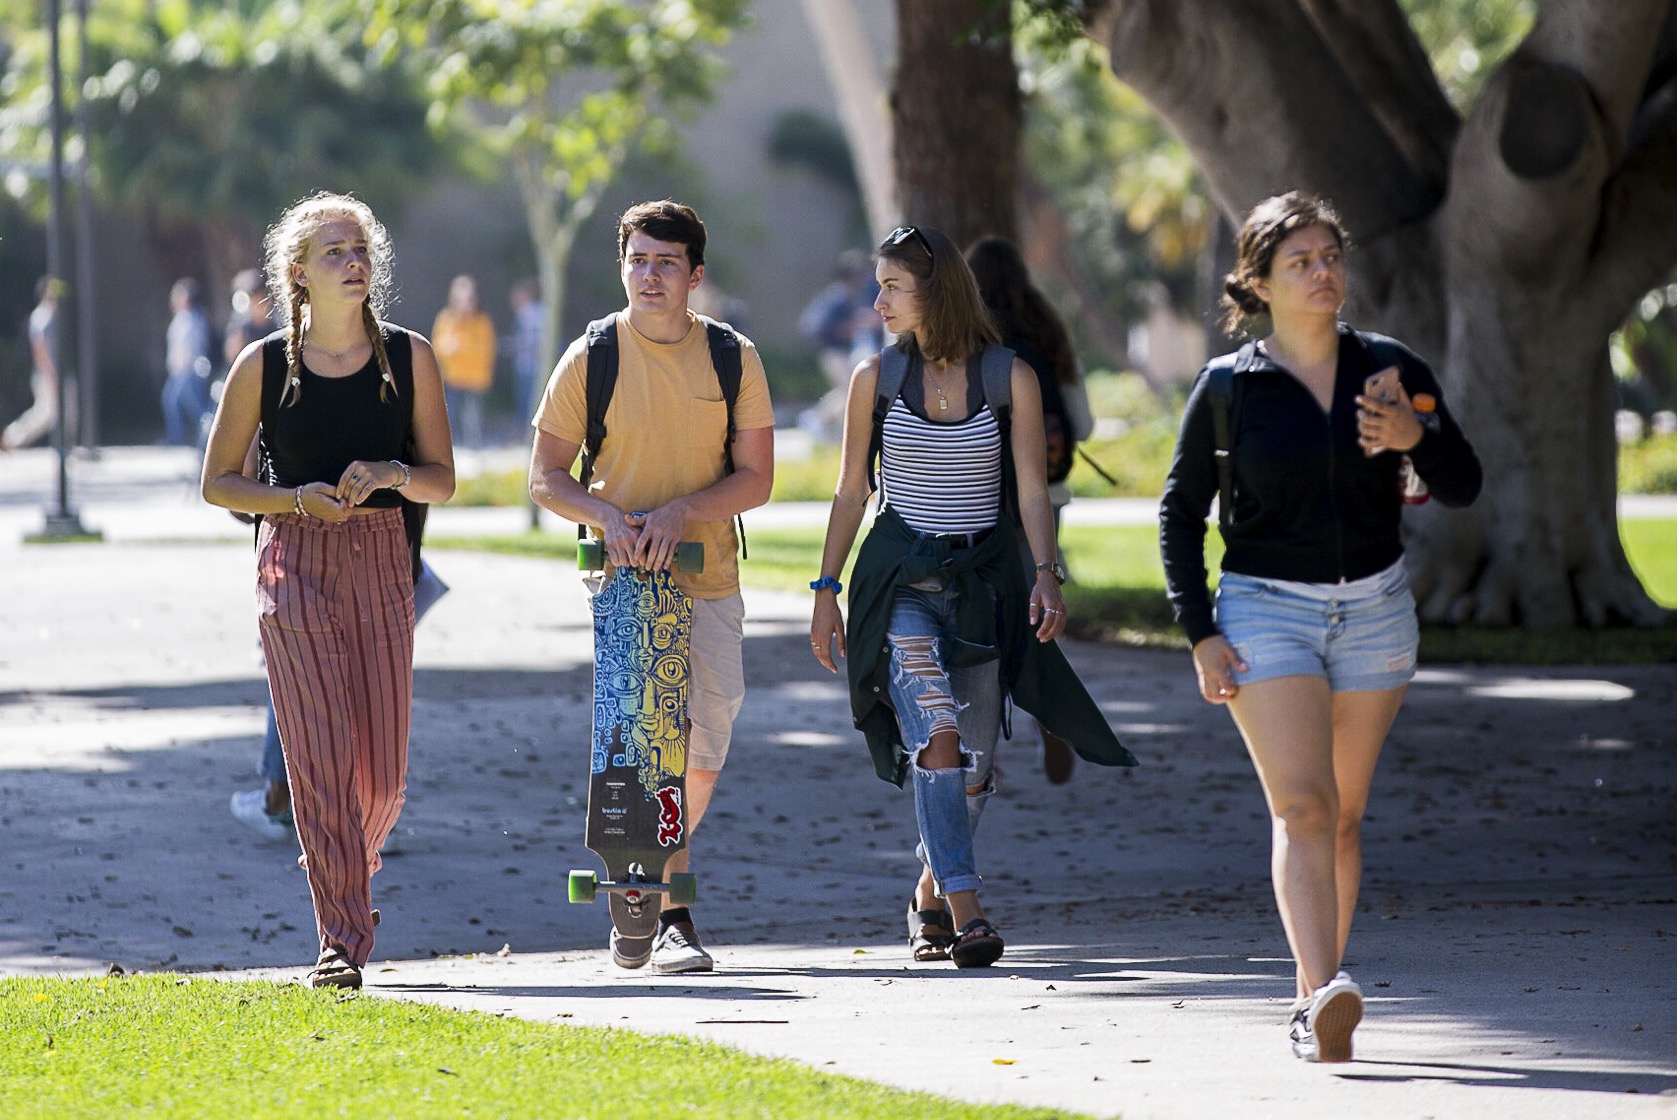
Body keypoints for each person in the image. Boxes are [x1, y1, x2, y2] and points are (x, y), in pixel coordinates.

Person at [1158, 192, 1481, 1062]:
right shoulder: (1228, 389)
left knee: (1343, 816)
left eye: (1331, 255)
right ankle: (1321, 995)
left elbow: (1462, 483)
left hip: (1376, 610)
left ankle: (1317, 992)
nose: (1323, 272)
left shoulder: (1388, 366)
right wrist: (1200, 631)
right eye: (1300, 261)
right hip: (1265, 610)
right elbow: (1180, 514)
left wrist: (1416, 432)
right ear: (1258, 282)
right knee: (1302, 806)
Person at [809, 225, 1135, 970]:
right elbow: (851, 490)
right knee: (938, 737)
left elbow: (1029, 490)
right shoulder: (876, 379)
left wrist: (1048, 572)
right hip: (900, 586)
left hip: (983, 584)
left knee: (976, 767)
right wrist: (826, 590)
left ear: (935, 291)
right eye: (878, 285)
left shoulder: (1006, 376)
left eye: (892, 286)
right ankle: (968, 911)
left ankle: (928, 892)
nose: (878, 299)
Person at [201, 191, 455, 989]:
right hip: (294, 562)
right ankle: (340, 938)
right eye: (335, 251)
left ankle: (351, 865)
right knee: (314, 759)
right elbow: (219, 483)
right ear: (299, 274)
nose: (354, 262)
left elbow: (443, 481)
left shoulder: (410, 357)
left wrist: (392, 474)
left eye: (361, 249)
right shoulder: (264, 365)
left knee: (381, 779)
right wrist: (293, 500)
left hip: (383, 558)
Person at [529, 199, 774, 975]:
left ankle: (648, 876)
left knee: (706, 738)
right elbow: (544, 478)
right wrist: (609, 516)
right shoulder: (591, 356)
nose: (650, 276)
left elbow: (757, 478)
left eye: (666, 263)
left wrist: (682, 513)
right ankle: (661, 907)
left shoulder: (734, 357)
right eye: (637, 260)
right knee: (644, 746)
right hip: (625, 583)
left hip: (711, 580)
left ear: (696, 276)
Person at [966, 234, 1095, 786]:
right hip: (1042, 498)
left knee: (981, 624)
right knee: (1040, 610)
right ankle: (1052, 717)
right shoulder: (1048, 336)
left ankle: (981, 740)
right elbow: (1082, 423)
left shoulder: (967, 342)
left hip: (975, 505)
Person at [797, 250, 882, 438]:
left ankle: (816, 419)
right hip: (833, 353)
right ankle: (817, 419)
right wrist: (852, 326)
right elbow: (816, 327)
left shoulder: (857, 295)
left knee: (848, 391)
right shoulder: (836, 297)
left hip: (847, 353)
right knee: (850, 391)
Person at [432, 274, 496, 448]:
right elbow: (437, 345)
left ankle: (474, 446)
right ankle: (449, 448)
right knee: (449, 414)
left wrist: (459, 347)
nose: (467, 303)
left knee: (473, 416)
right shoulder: (446, 318)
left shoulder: (482, 322)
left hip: (475, 378)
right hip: (453, 376)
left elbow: (485, 350)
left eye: (470, 298)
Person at [2, 276, 66, 451]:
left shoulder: (50, 316)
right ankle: (11, 436)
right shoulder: (42, 316)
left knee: (51, 413)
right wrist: (49, 370)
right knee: (45, 413)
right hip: (45, 372)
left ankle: (12, 437)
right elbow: (39, 346)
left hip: (47, 371)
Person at [161, 277, 214, 447]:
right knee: (172, 402)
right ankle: (178, 438)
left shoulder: (191, 318)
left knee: (196, 407)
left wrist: (181, 367)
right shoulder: (182, 318)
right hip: (180, 372)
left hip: (188, 371)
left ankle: (207, 436)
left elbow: (189, 347)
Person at [504, 280, 544, 424]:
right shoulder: (540, 312)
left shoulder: (528, 314)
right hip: (526, 365)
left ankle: (527, 430)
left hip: (531, 366)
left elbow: (532, 340)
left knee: (528, 402)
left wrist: (513, 346)